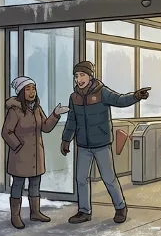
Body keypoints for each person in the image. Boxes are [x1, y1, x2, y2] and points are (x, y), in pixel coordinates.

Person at [61, 60, 150, 224]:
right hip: (83, 145)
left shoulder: (102, 92)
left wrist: (136, 96)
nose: (79, 79)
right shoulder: (74, 97)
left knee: (108, 178)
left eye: (82, 75)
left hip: (101, 144)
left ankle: (120, 207)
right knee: (81, 178)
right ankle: (84, 211)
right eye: (76, 76)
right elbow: (71, 120)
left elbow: (120, 100)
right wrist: (66, 139)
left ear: (89, 76)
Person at [1, 76, 70, 229]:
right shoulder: (15, 110)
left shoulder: (37, 108)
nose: (32, 92)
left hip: (36, 155)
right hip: (20, 156)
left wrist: (55, 114)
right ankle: (15, 216)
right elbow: (6, 132)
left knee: (35, 184)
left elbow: (45, 127)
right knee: (18, 185)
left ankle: (35, 212)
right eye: (28, 89)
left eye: (33, 88)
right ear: (21, 91)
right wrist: (18, 146)